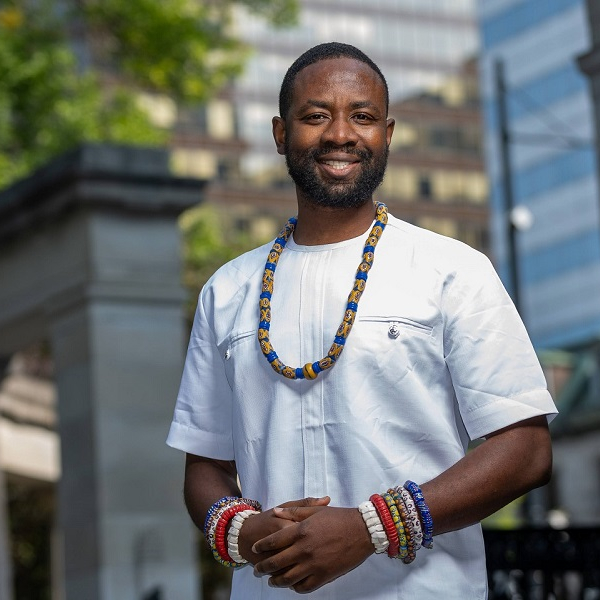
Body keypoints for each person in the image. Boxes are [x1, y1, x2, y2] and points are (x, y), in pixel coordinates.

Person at [167, 42, 557, 599]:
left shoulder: (454, 270)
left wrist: (370, 528)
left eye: (363, 117)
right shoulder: (226, 290)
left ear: (388, 134)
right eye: (316, 115)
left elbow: (525, 450)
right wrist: (246, 532)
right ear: (281, 134)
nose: (340, 134)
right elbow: (204, 464)